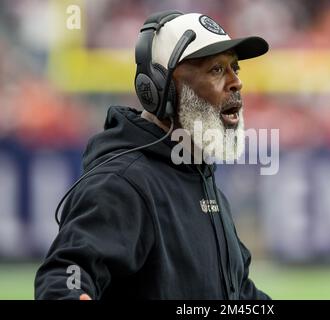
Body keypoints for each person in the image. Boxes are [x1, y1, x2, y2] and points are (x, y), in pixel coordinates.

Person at [35, 10, 270, 300]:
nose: (236, 82)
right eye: (216, 70)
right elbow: (64, 279)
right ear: (160, 89)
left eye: (235, 68)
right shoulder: (121, 184)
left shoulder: (201, 179)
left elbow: (237, 293)